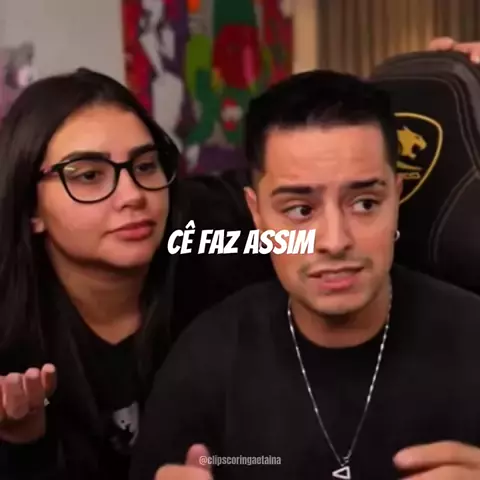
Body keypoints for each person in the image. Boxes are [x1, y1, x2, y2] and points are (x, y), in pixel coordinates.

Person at [130, 67, 480, 480]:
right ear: (258, 214)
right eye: (300, 210)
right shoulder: (207, 358)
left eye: (365, 203)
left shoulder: (472, 336)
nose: (335, 241)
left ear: (396, 198)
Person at [0, 68, 182, 479]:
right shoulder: (12, 340)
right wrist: (24, 444)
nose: (133, 196)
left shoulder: (217, 289)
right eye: (88, 175)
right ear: (31, 210)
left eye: (146, 166)